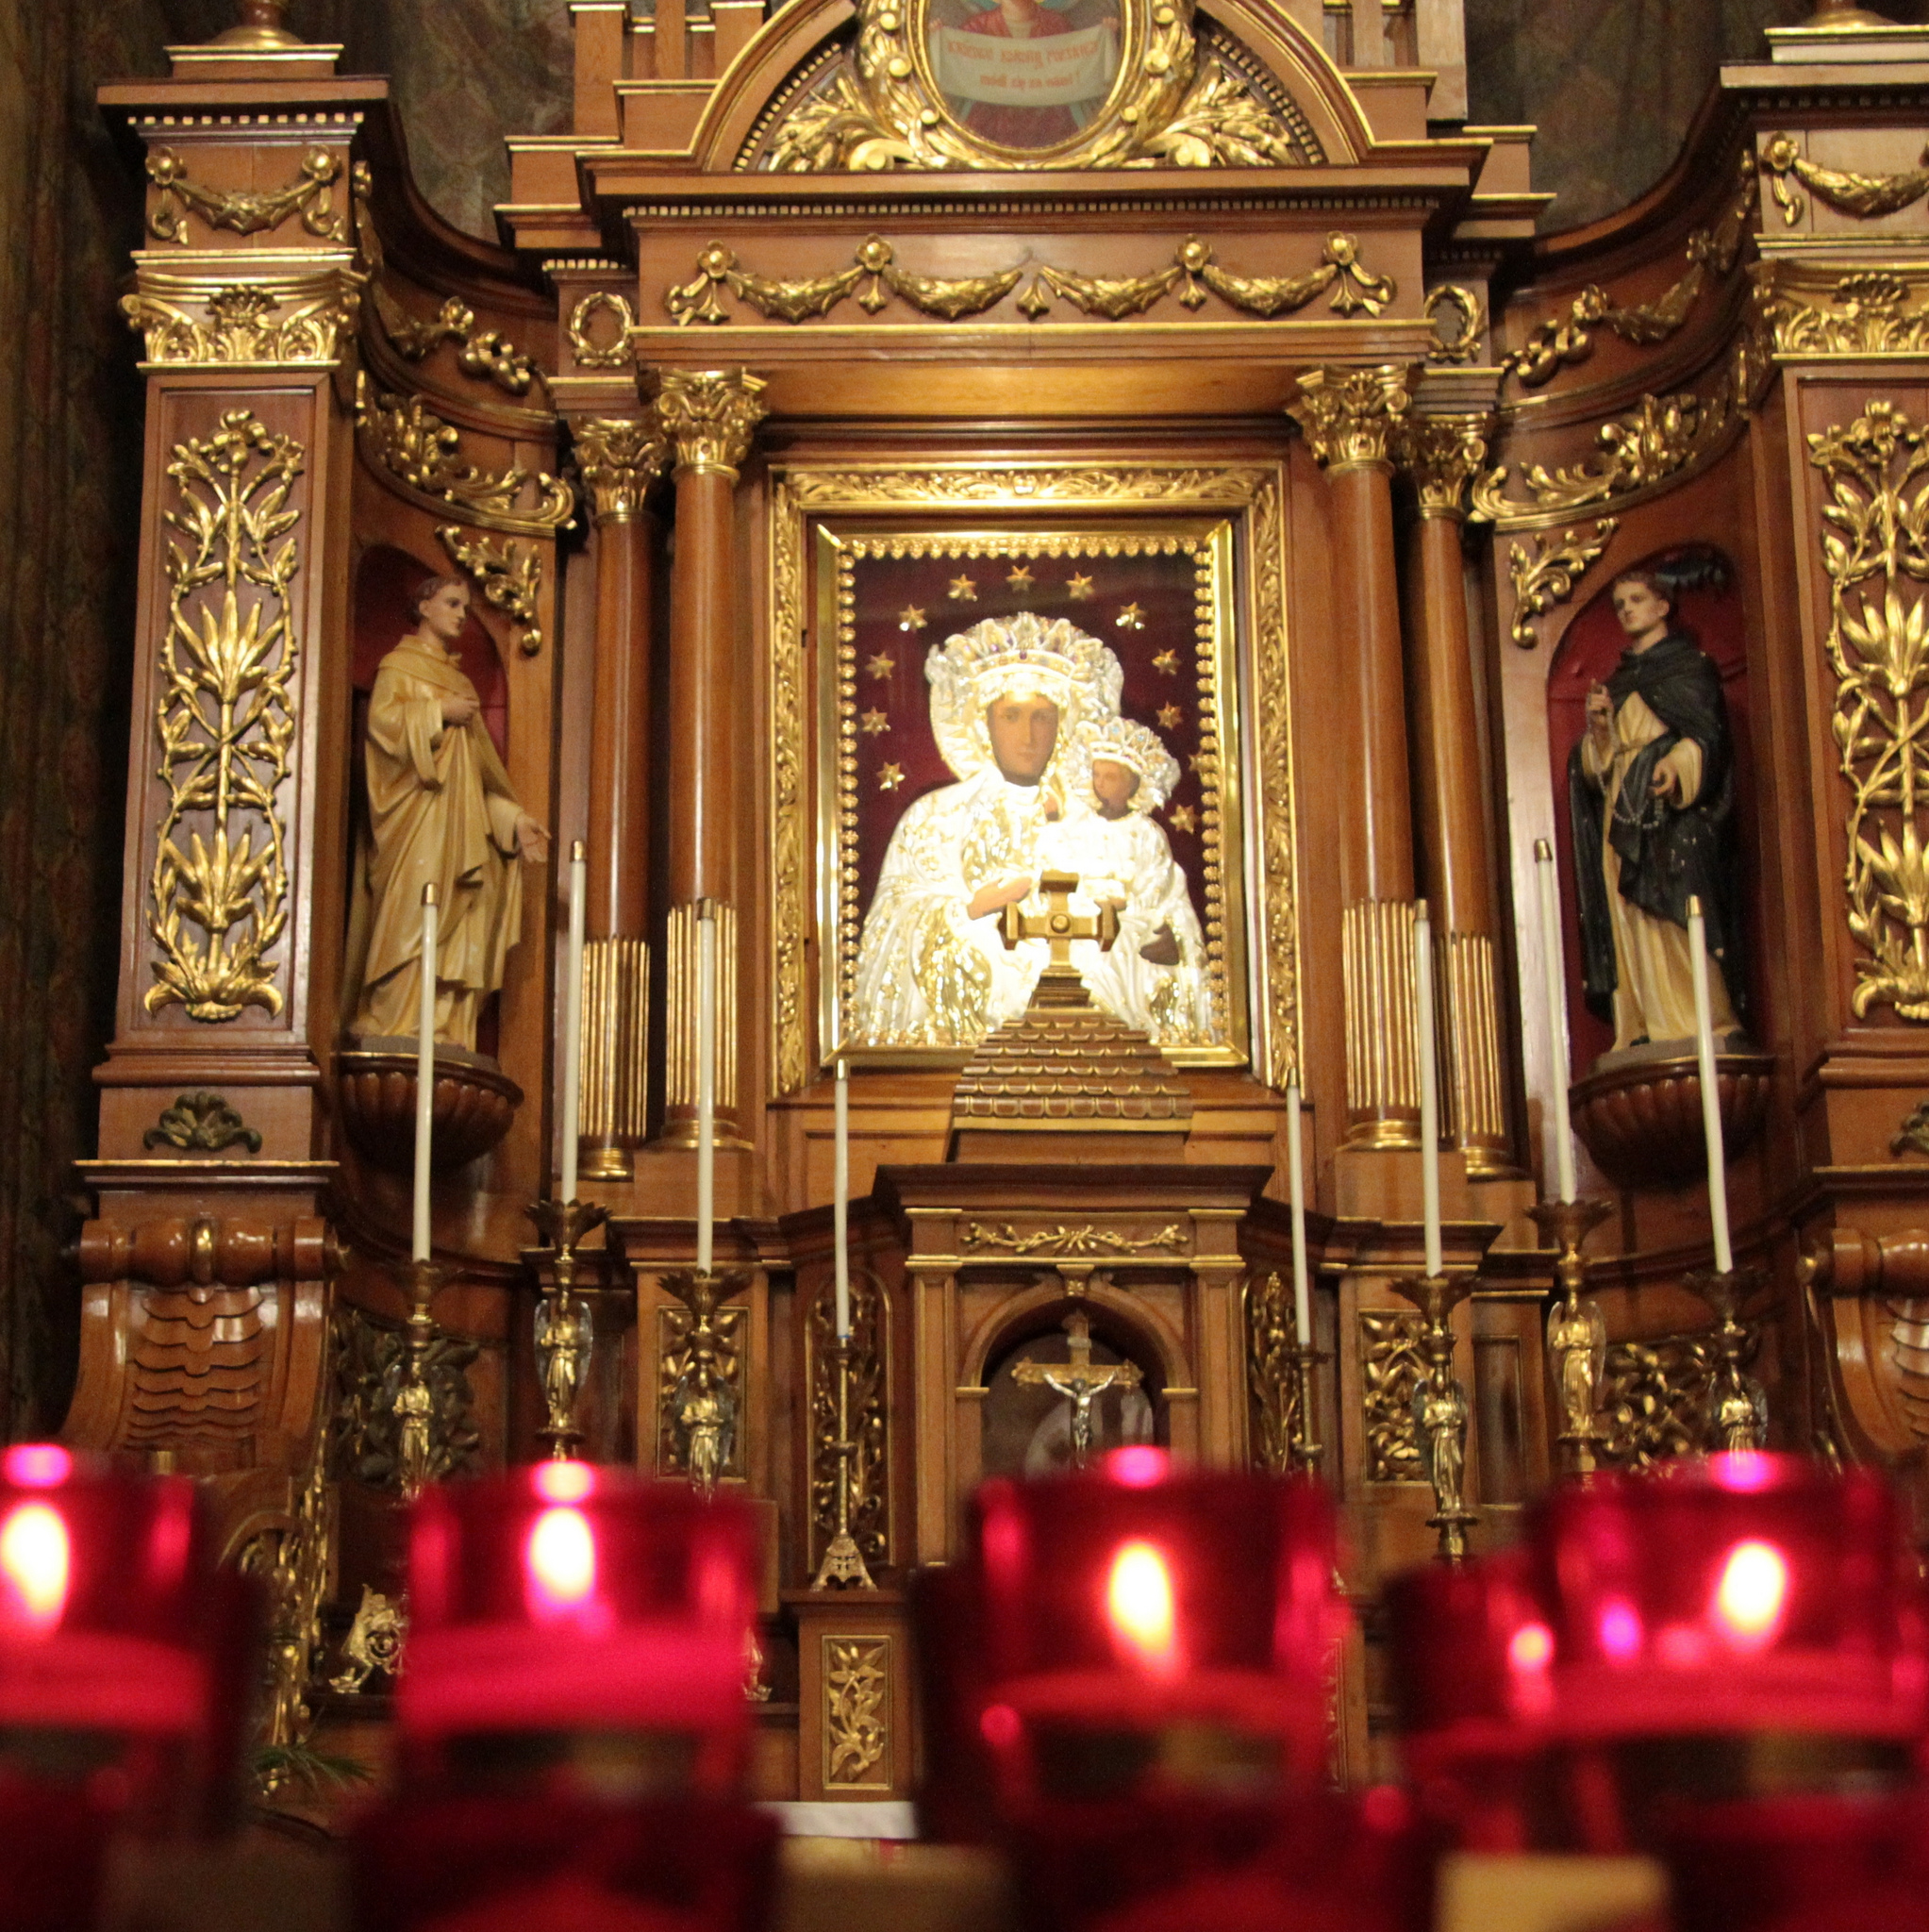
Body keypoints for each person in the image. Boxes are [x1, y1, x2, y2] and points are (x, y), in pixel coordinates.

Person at [851, 612, 1121, 1045]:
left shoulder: (1094, 823)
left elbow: (1133, 914)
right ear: (983, 724)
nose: (1028, 736)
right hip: (963, 1039)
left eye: (1043, 717)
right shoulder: (935, 818)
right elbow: (895, 920)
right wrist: (971, 910)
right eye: (1011, 716)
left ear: (1064, 728)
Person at [348, 576, 549, 1053]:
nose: (462, 614)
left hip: (459, 830)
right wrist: (437, 712)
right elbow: (383, 727)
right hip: (413, 822)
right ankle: (393, 1019)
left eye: (464, 605)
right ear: (422, 605)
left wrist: (514, 822)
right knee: (411, 913)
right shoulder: (398, 667)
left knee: (455, 918)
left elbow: (480, 782)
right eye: (452, 603)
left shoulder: (462, 684)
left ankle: (440, 1024)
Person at [1568, 568, 1744, 1055]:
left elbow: (1709, 739)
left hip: (1672, 813)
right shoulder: (1617, 683)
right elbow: (1596, 769)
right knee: (1627, 917)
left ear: (1664, 606)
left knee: (1674, 910)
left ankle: (1697, 1018)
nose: (1626, 609)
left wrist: (1678, 763)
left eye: (1637, 599)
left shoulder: (1691, 667)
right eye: (1620, 602)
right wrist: (1600, 731)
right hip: (1621, 811)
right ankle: (1643, 1021)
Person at [1041, 712, 1218, 1044]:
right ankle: (1088, 1022)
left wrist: (1127, 903)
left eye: (1111, 776)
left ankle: (1117, 1025)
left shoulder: (1147, 833)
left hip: (1135, 918)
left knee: (1117, 946)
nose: (1102, 783)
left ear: (1133, 783)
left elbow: (1157, 882)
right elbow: (1063, 871)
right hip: (1084, 916)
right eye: (1097, 775)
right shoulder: (1078, 830)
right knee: (1082, 949)